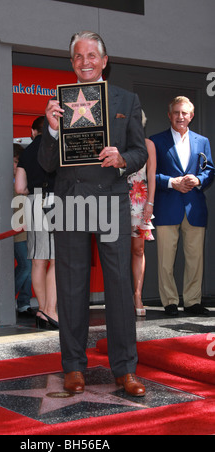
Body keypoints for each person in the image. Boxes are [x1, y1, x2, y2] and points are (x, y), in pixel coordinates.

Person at [38, 31, 148, 397]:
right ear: (72, 63)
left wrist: (123, 160)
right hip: (70, 202)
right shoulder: (60, 102)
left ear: (103, 61)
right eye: (77, 56)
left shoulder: (126, 100)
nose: (84, 62)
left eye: (91, 55)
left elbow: (140, 151)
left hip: (111, 199)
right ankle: (72, 366)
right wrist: (51, 132)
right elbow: (47, 164)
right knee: (71, 287)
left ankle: (125, 369)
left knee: (118, 286)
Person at [150, 96, 214, 317]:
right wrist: (171, 182)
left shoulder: (202, 141)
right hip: (167, 207)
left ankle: (193, 302)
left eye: (184, 113)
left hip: (194, 208)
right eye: (176, 112)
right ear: (169, 115)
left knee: (195, 258)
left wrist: (198, 180)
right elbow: (149, 175)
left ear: (191, 116)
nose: (180, 117)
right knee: (166, 260)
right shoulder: (156, 141)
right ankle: (169, 302)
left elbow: (209, 169)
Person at [15, 116, 58, 329]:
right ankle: (51, 311)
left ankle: (42, 310)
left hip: (32, 201)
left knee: (38, 261)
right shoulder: (58, 146)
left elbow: (19, 188)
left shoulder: (27, 152)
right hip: (55, 201)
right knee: (57, 260)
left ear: (33, 132)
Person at [128, 111, 156, 317]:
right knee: (115, 252)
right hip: (117, 200)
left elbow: (151, 176)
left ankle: (137, 295)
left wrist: (151, 203)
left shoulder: (148, 145)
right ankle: (120, 296)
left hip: (140, 201)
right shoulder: (117, 144)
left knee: (138, 250)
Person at [13, 144, 33, 318]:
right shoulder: (5, 182)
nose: (15, 166)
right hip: (15, 233)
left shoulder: (23, 180)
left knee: (30, 267)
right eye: (14, 162)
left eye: (17, 162)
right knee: (26, 266)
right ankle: (6, 296)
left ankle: (24, 303)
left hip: (28, 230)